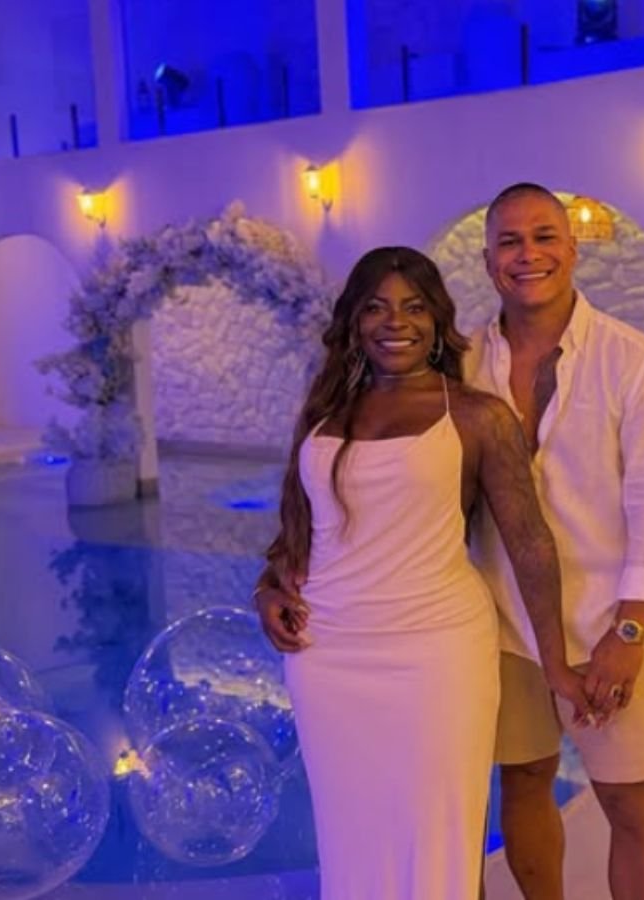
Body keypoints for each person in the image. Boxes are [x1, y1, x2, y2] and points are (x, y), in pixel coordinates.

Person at [251, 246, 590, 900]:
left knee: (438, 836)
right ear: (353, 321)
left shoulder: (476, 416)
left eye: (413, 307)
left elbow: (529, 544)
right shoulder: (325, 413)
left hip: (435, 656)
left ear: (437, 320)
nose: (394, 322)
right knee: (352, 836)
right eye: (375, 307)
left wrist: (557, 666)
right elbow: (300, 529)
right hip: (328, 657)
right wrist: (267, 590)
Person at [469, 183, 644, 900]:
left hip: (610, 625)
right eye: (509, 242)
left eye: (544, 237)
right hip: (505, 626)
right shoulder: (462, 364)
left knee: (629, 803)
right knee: (524, 783)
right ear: (488, 261)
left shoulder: (636, 362)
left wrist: (630, 632)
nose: (527, 254)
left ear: (572, 249)